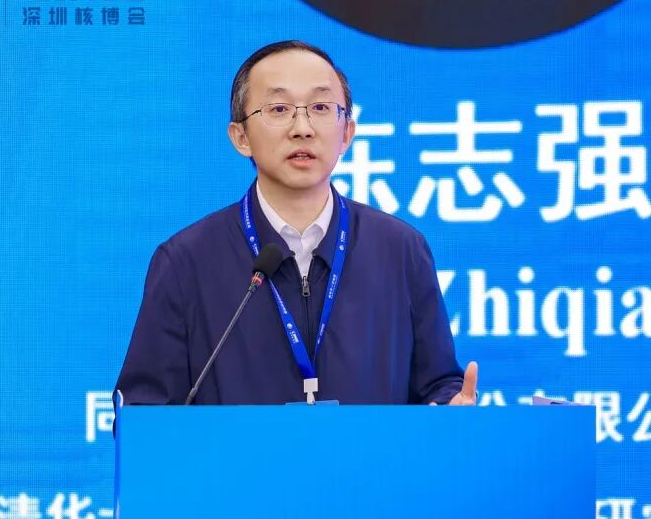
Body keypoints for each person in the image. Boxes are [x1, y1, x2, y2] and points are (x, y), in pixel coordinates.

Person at [115, 40, 478, 406]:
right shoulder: (186, 262)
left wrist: (450, 406)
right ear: (240, 137)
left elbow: (437, 384)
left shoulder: (400, 250)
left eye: (320, 107)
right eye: (279, 109)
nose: (302, 128)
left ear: (347, 133)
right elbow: (143, 415)